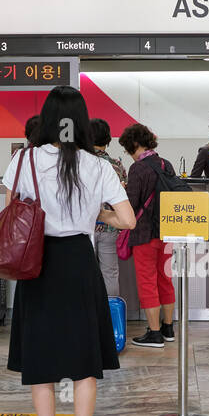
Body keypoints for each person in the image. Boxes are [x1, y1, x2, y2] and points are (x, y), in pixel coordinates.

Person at [3, 86, 135, 416]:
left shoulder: (24, 159)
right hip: (79, 260)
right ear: (81, 121)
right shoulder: (96, 165)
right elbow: (127, 219)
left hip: (37, 263)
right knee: (83, 363)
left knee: (40, 361)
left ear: (46, 118)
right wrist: (98, 217)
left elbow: (14, 211)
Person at [121, 123, 178, 349]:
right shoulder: (166, 163)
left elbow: (131, 205)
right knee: (165, 278)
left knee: (147, 281)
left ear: (134, 144)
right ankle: (168, 328)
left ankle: (154, 334)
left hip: (144, 234)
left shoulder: (138, 169)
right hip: (167, 232)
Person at [88, 118, 129, 298]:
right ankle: (111, 318)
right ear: (108, 140)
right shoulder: (116, 165)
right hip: (110, 226)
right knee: (110, 273)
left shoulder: (79, 163)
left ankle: (88, 317)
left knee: (85, 274)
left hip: (85, 227)